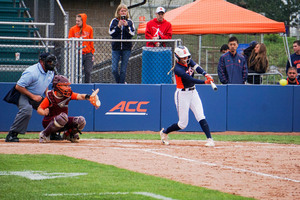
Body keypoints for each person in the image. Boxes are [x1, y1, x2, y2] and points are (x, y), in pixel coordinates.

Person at [160, 46, 215, 147]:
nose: (186, 59)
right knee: (182, 124)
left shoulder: (189, 62)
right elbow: (190, 79)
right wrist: (204, 82)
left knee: (200, 116)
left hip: (193, 93)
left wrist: (205, 74)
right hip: (182, 95)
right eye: (183, 57)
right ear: (177, 57)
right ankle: (165, 132)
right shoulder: (178, 69)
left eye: (186, 57)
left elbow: (197, 67)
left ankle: (210, 139)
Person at [5, 53, 56, 142]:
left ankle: (53, 133)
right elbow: (18, 86)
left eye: (52, 62)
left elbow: (46, 83)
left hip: (37, 96)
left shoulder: (50, 71)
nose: (51, 64)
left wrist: (47, 95)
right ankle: (12, 134)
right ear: (41, 62)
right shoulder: (32, 72)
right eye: (49, 61)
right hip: (23, 94)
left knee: (54, 107)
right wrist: (33, 96)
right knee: (26, 110)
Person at [37, 75, 100, 143]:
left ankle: (68, 135)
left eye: (67, 85)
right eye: (65, 86)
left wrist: (89, 97)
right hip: (49, 122)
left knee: (81, 121)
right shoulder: (51, 96)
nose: (67, 88)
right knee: (62, 117)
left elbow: (80, 96)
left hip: (63, 120)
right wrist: (44, 112)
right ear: (57, 86)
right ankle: (44, 134)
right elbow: (39, 108)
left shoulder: (68, 94)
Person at [109, 4, 135, 84]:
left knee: (123, 70)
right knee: (114, 69)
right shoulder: (114, 21)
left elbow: (132, 33)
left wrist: (126, 26)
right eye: (122, 11)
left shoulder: (130, 22)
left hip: (126, 48)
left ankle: (121, 85)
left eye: (125, 11)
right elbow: (111, 32)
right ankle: (119, 83)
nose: (123, 12)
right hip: (116, 48)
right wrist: (118, 26)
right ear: (118, 12)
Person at [68, 13, 95, 83]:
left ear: (83, 21)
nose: (77, 22)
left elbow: (91, 42)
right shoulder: (73, 29)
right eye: (76, 21)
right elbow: (69, 41)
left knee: (88, 71)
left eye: (79, 21)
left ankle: (87, 85)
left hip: (88, 53)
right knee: (76, 72)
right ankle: (76, 84)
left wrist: (92, 53)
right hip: (77, 53)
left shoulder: (89, 29)